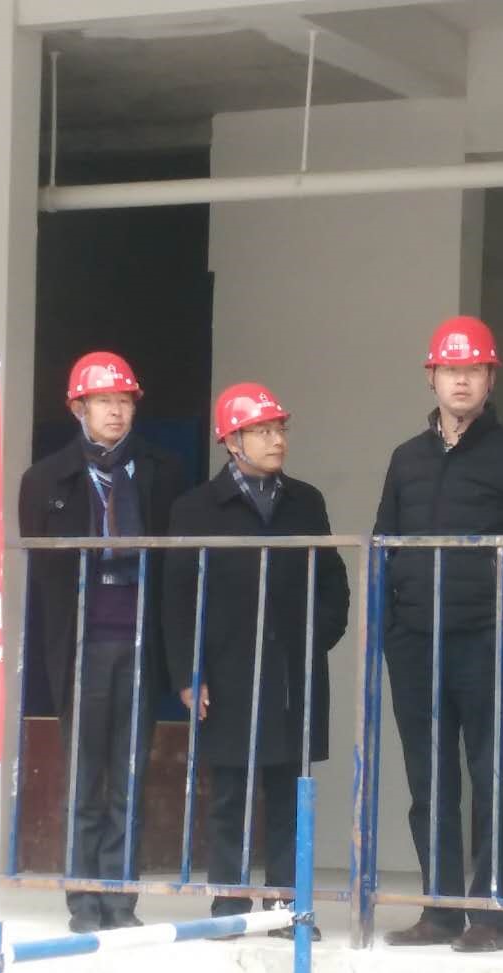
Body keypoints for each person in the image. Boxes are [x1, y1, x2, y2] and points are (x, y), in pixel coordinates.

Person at [376, 316, 503, 953]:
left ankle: (491, 915)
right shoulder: (406, 459)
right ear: (431, 377)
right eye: (451, 370)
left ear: (491, 379)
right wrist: (389, 628)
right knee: (428, 783)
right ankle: (441, 910)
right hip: (414, 642)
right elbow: (384, 545)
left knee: (491, 780)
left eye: (474, 369)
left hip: (485, 640)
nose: (462, 380)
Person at [163, 382, 349, 940]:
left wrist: (316, 638)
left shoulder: (306, 501)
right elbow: (177, 597)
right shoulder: (196, 508)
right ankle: (229, 904)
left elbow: (332, 581)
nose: (277, 440)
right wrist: (189, 674)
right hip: (228, 672)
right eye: (262, 431)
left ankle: (289, 909)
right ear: (232, 441)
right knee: (230, 794)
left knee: (291, 793)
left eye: (279, 429)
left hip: (292, 670)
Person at [18, 352, 186, 932]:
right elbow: (43, 573)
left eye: (124, 401)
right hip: (81, 641)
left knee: (130, 774)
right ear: (78, 409)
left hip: (140, 639)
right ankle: (83, 896)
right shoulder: (45, 479)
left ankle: (120, 897)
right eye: (103, 402)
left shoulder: (163, 470)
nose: (116, 412)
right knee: (85, 775)